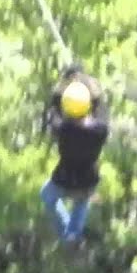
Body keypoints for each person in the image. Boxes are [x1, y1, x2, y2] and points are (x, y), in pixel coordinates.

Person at [39, 64, 110, 246]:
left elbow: (54, 106)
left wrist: (66, 82)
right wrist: (86, 83)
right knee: (82, 199)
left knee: (47, 195)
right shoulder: (100, 130)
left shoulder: (61, 128)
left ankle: (68, 233)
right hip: (88, 179)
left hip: (64, 178)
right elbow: (100, 106)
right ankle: (73, 235)